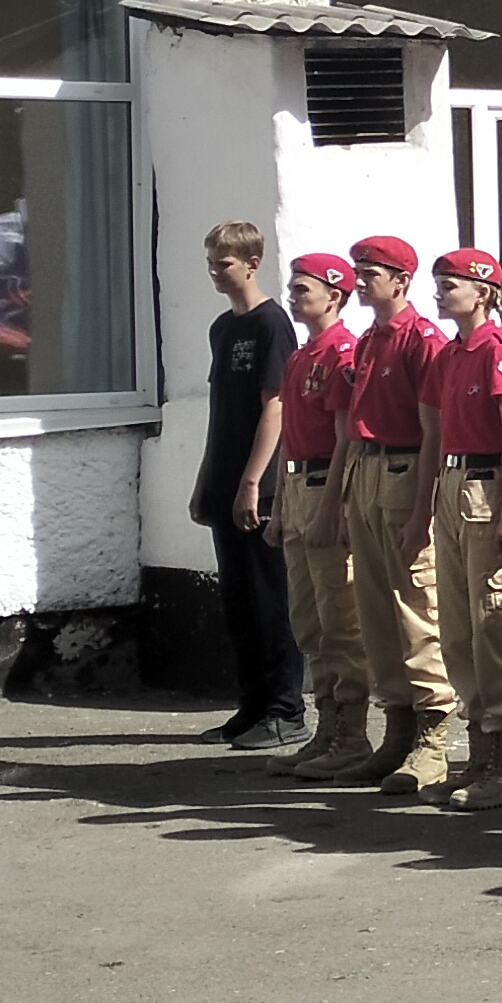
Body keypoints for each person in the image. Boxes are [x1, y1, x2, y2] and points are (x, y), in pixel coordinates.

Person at [333, 235, 452, 793]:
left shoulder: (422, 341)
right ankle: (397, 728)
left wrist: (422, 511)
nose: (359, 280)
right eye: (358, 270)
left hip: (405, 471)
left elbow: (434, 431)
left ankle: (433, 737)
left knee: (414, 604)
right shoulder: (367, 340)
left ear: (401, 281)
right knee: (374, 607)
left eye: (371, 272)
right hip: (367, 469)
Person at [425, 250, 502, 810]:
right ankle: (477, 752)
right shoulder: (450, 355)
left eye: (452, 285)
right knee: (456, 628)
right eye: (438, 284)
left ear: (485, 292)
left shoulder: (501, 351)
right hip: (452, 487)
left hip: (487, 487)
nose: (441, 293)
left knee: (493, 626)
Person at [188, 221, 300, 749]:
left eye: (225, 263)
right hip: (226, 481)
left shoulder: (270, 324)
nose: (216, 270)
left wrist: (253, 481)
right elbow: (220, 411)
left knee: (267, 596)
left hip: (261, 485)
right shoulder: (221, 328)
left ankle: (286, 709)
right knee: (236, 601)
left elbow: (273, 408)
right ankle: (251, 705)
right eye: (211, 261)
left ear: (252, 262)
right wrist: (207, 478)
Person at [271, 256, 375, 781]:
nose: (292, 295)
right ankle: (326, 726)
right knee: (308, 619)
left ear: (334, 295)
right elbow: (291, 432)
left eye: (302, 287)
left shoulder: (341, 353)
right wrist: (279, 505)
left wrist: (331, 505)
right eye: (291, 286)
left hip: (323, 486)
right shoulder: (300, 355)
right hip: (296, 486)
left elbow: (344, 438)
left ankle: (352, 732)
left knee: (339, 617)